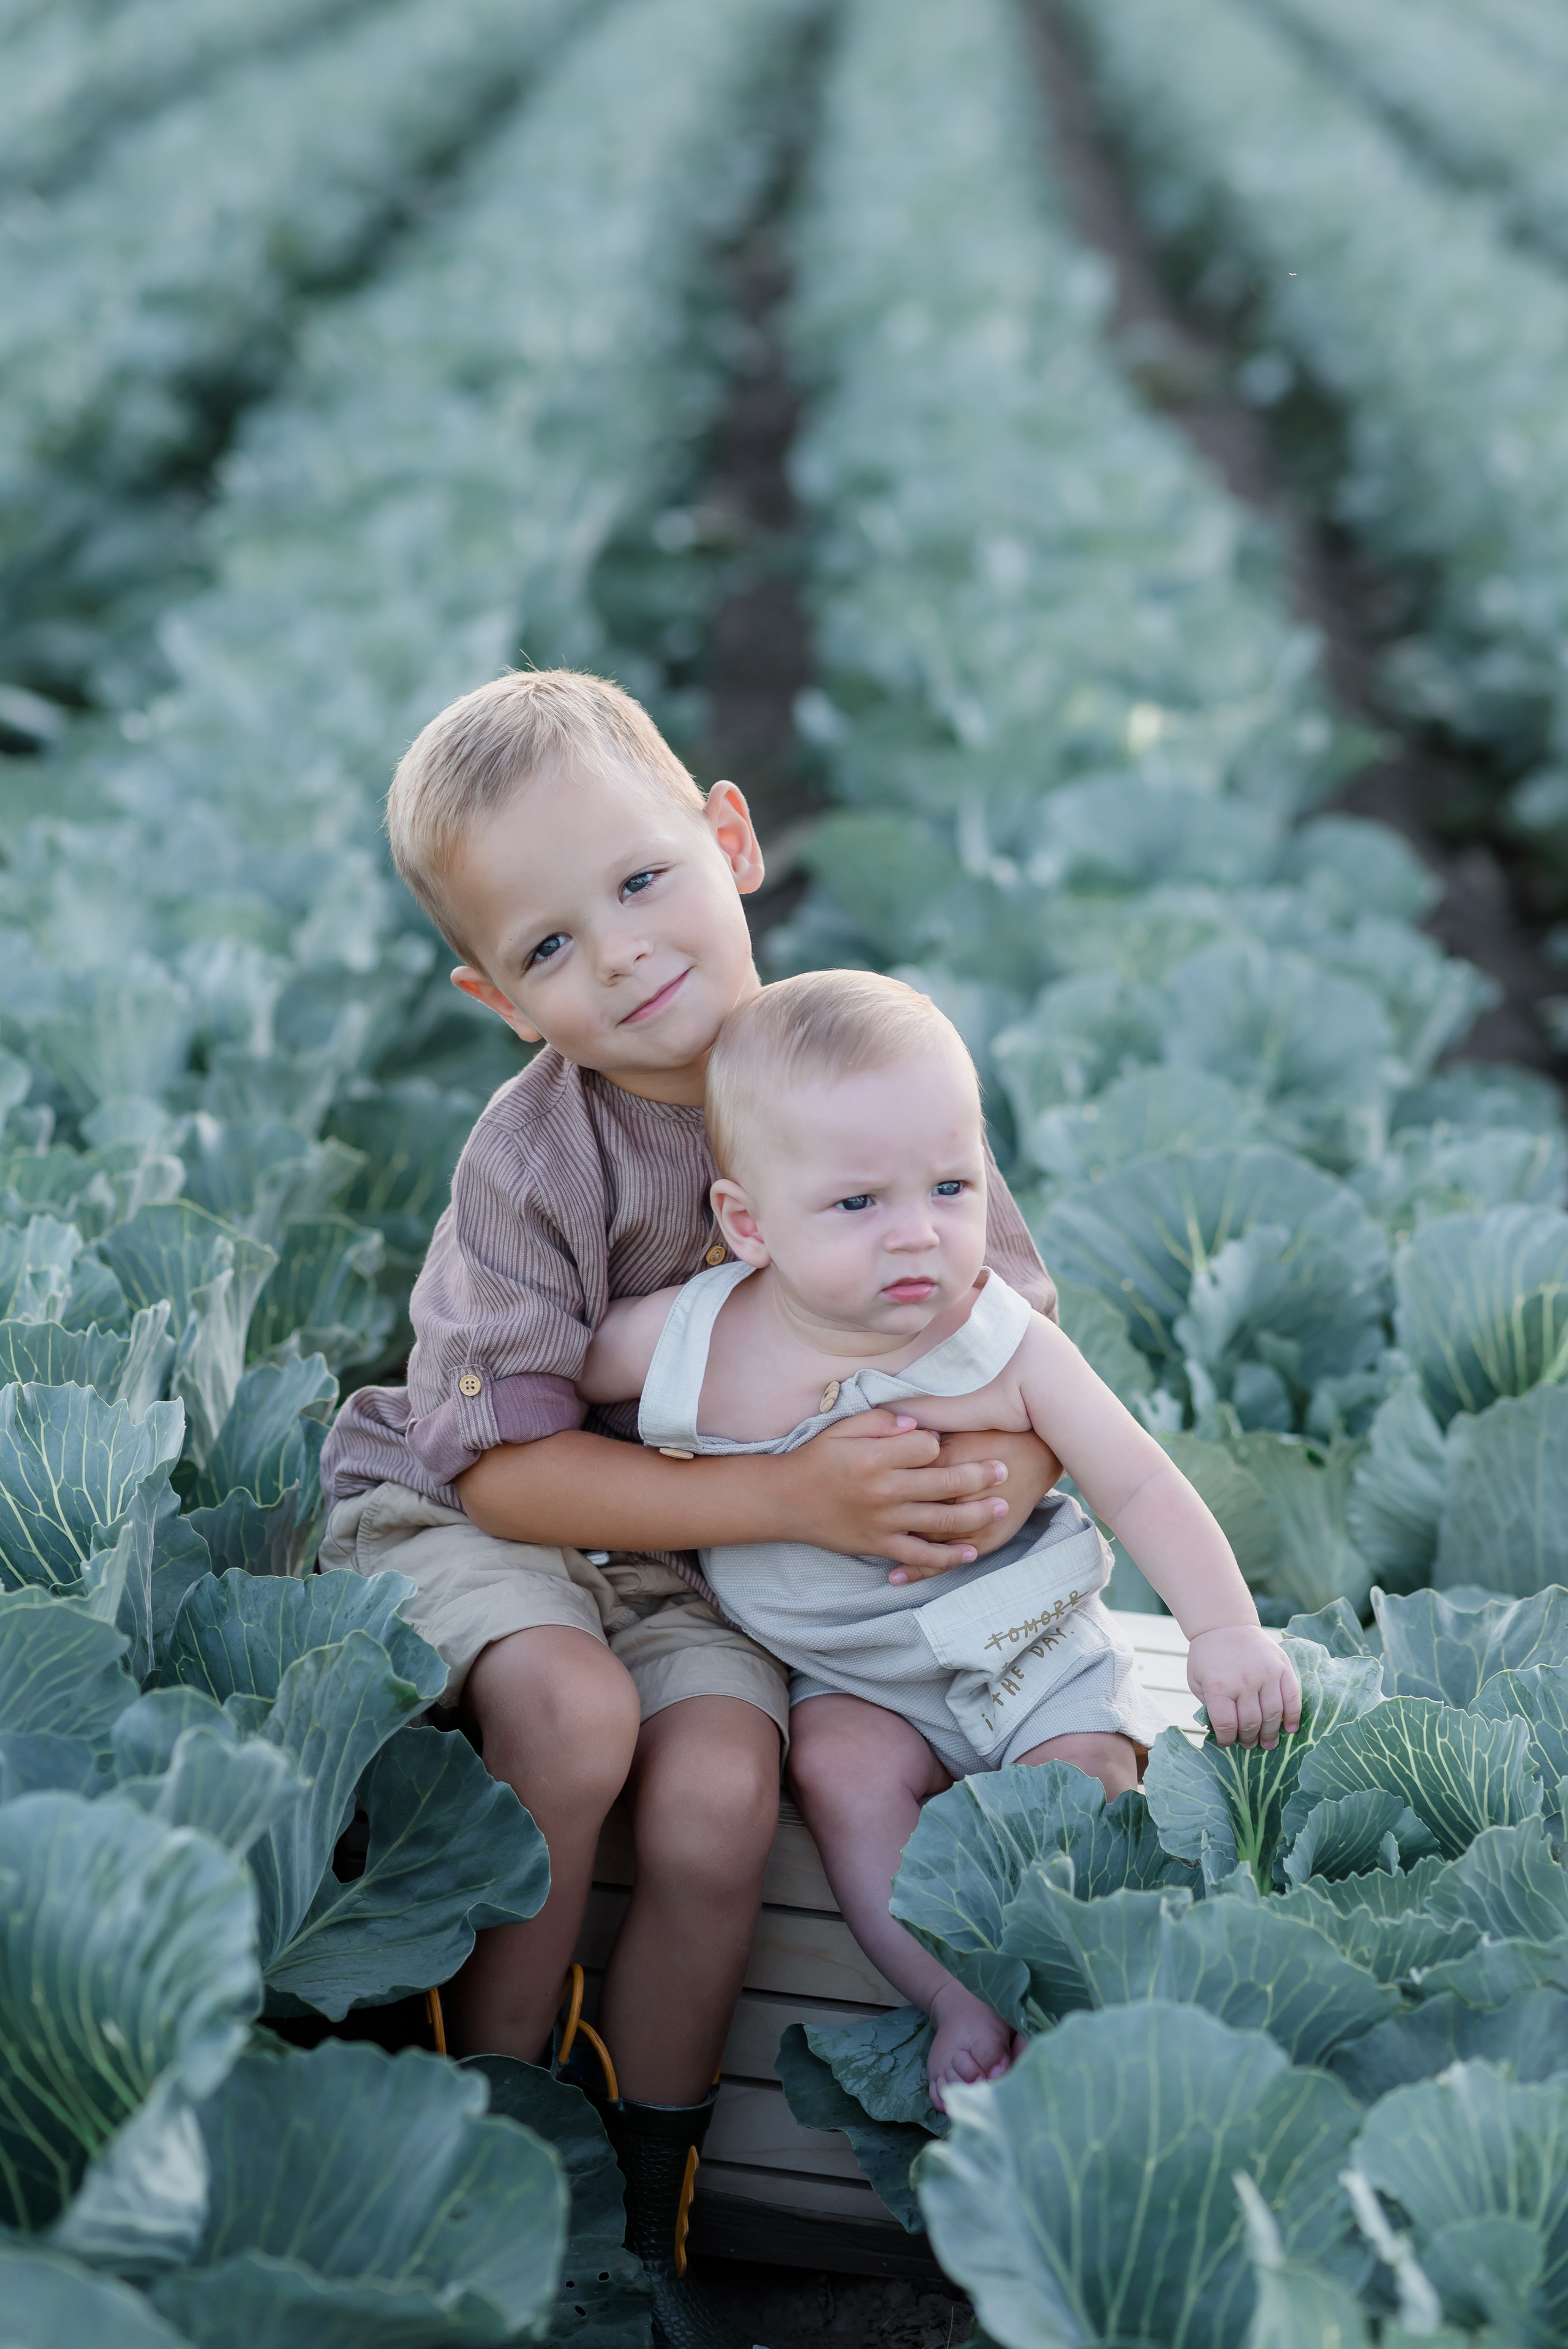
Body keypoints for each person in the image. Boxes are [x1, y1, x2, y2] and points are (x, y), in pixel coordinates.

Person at [317, 669, 1063, 2346]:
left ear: (730, 840)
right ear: (497, 999)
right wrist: (802, 1486)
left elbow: (1017, 1350)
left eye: (643, 882)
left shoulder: (857, 1073)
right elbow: (503, 1465)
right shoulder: (536, 1155)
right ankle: (492, 2131)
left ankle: (642, 2192)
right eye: (552, 947)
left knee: (724, 1797)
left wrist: (985, 1482)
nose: (627, 954)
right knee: (574, 1723)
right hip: (482, 1517)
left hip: (699, 1569)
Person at [579, 968, 1304, 2112]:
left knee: (1089, 1779)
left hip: (1027, 1644)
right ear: (746, 1224)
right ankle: (952, 1991)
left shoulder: (1005, 1343)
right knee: (842, 1779)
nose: (917, 1235)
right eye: (857, 1204)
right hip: (852, 1677)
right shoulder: (696, 1340)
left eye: (951, 1185)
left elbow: (1143, 1482)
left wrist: (1222, 1631)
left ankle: (1078, 2005)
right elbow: (552, 1369)